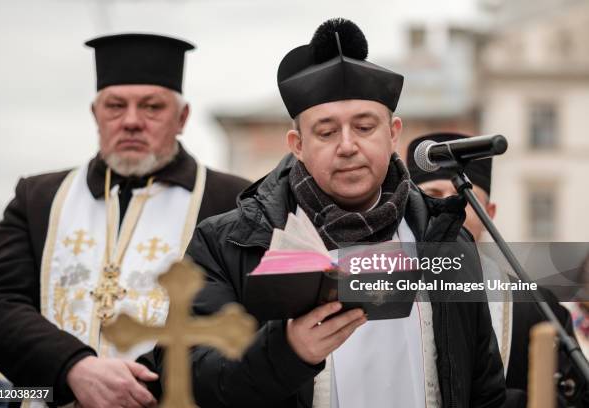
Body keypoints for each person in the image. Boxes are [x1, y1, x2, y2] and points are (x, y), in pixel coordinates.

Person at [145, 19, 505, 407]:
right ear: (297, 144)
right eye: (327, 132)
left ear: (393, 133)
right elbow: (187, 375)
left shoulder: (445, 239)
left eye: (365, 127)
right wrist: (287, 352)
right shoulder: (227, 242)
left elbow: (482, 388)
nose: (348, 146)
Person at [0, 33, 251, 408]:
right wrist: (73, 368)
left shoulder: (232, 201)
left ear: (182, 117)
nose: (132, 121)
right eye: (115, 106)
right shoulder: (39, 198)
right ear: (95, 114)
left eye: (152, 107)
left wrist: (140, 390)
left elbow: (243, 324)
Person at [406, 131, 580, 407]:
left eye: (463, 195)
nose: (450, 205)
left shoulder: (535, 306)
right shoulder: (385, 290)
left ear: (490, 212)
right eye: (433, 195)